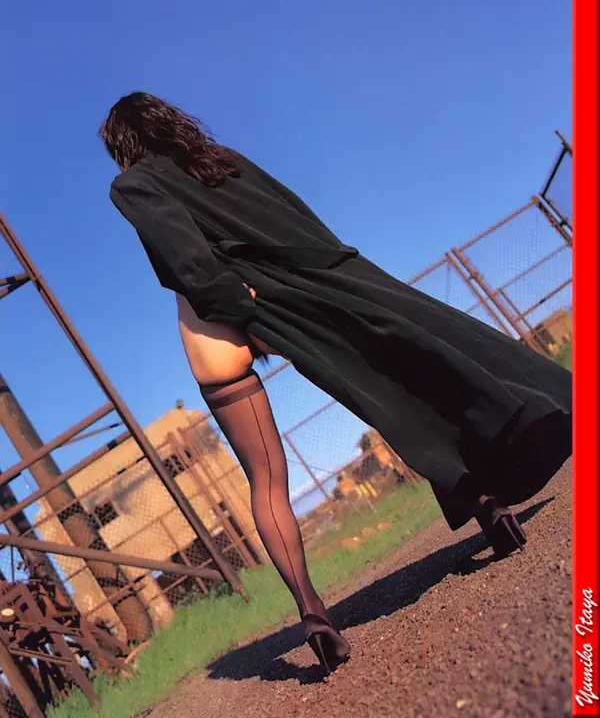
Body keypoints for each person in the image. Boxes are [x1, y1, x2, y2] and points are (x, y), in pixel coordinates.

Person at [101, 92, 572, 675]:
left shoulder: (133, 184)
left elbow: (187, 260)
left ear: (123, 144)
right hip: (309, 286)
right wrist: (332, 272)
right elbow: (297, 215)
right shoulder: (222, 161)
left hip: (226, 319)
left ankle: (314, 614)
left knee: (267, 477)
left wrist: (241, 308)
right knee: (395, 392)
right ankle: (486, 506)